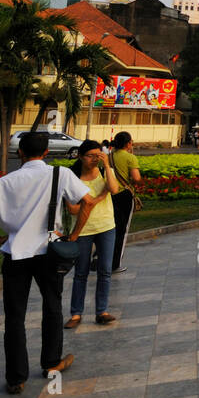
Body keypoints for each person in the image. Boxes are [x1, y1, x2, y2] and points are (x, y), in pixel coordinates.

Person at [0, 131, 89, 394]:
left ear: (20, 152)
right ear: (46, 152)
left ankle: (16, 378)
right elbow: (87, 202)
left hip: (15, 255)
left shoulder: (4, 183)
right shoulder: (60, 174)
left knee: (14, 317)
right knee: (53, 306)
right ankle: (52, 362)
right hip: (49, 252)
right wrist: (74, 235)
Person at [65, 140, 121, 328]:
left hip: (106, 226)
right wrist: (95, 199)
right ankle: (76, 313)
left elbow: (113, 190)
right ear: (80, 156)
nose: (94, 159)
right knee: (80, 272)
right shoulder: (73, 177)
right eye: (90, 156)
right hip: (82, 230)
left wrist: (107, 165)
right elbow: (73, 209)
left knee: (105, 270)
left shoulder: (105, 172)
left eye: (98, 155)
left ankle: (102, 311)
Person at [109, 132, 143, 273]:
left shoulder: (108, 156)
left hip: (109, 195)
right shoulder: (130, 157)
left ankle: (100, 257)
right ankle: (116, 263)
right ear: (128, 143)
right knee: (122, 230)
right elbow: (136, 178)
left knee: (109, 227)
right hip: (123, 195)